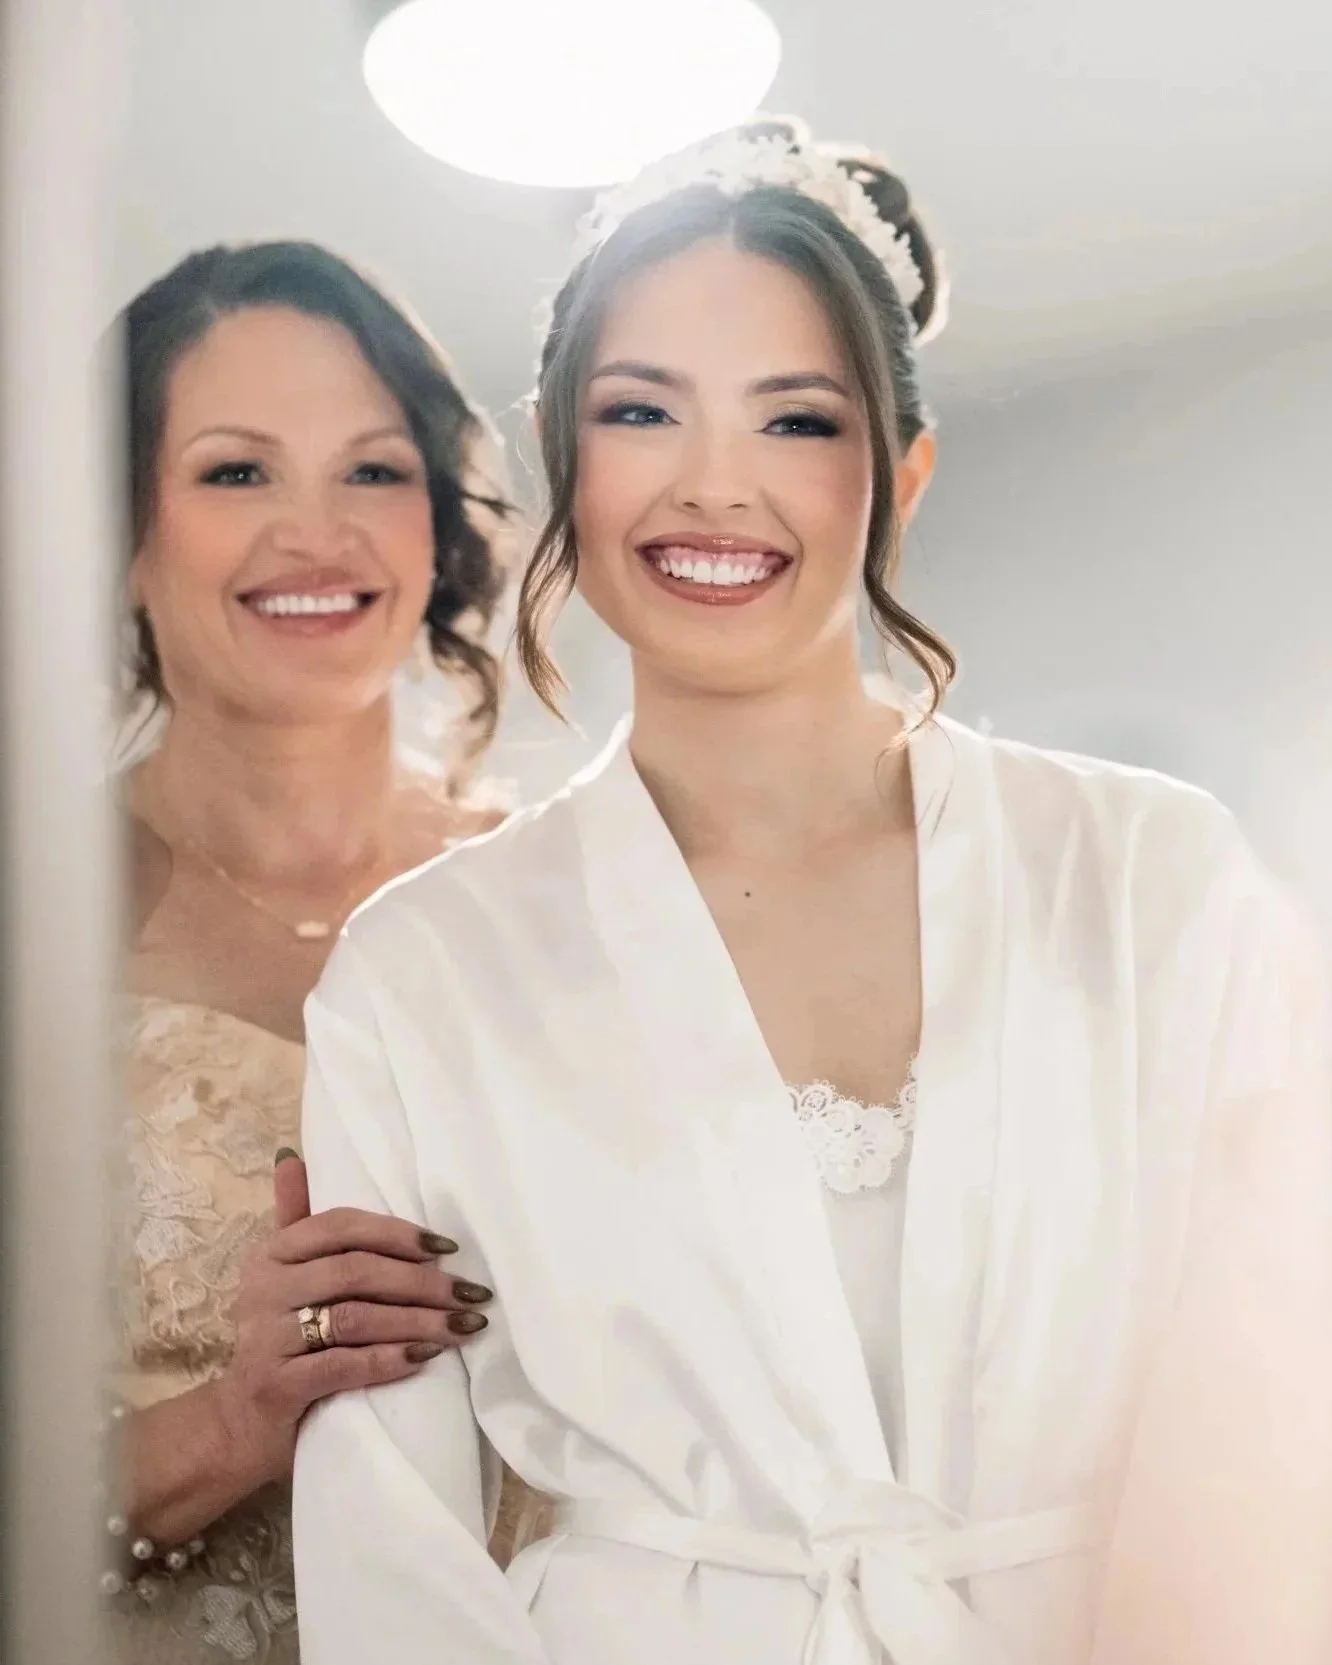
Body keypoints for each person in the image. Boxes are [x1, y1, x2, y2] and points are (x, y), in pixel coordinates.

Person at [291, 122, 1332, 1665]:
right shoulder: (423, 973)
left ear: (902, 469)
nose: (716, 488)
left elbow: (1286, 1404)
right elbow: (392, 1551)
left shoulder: (1153, 879)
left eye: (795, 423)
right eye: (643, 411)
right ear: (559, 448)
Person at [107, 240, 545, 1664]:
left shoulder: (570, 899)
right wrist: (236, 1418)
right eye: (238, 472)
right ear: (120, 538)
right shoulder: (36, 924)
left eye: (372, 470)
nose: (320, 532)